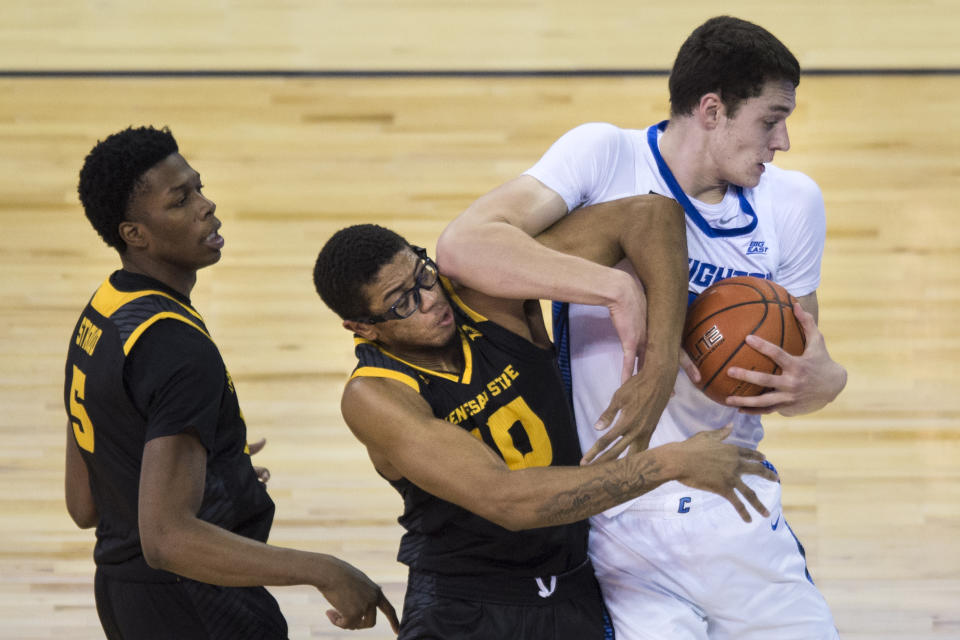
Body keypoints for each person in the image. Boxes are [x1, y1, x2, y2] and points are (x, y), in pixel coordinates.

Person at [438, 15, 847, 640]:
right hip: (618, 509)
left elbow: (792, 366)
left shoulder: (794, 204)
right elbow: (463, 249)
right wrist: (617, 286)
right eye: (770, 119)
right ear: (712, 110)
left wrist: (826, 382)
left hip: (730, 494)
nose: (783, 141)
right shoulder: (606, 155)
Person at [313, 195, 779, 640]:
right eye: (402, 302)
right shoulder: (376, 396)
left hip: (573, 587)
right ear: (363, 328)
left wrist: (657, 371)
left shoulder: (483, 295)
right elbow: (508, 502)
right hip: (465, 605)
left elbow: (650, 215)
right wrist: (669, 463)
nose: (430, 300)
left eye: (423, 275)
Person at [63, 126, 399, 640]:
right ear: (135, 234)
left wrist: (220, 475)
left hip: (122, 597)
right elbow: (168, 539)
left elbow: (86, 504)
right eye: (181, 200)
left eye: (198, 187)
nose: (207, 205)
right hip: (197, 604)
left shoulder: (103, 313)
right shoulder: (177, 349)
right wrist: (325, 570)